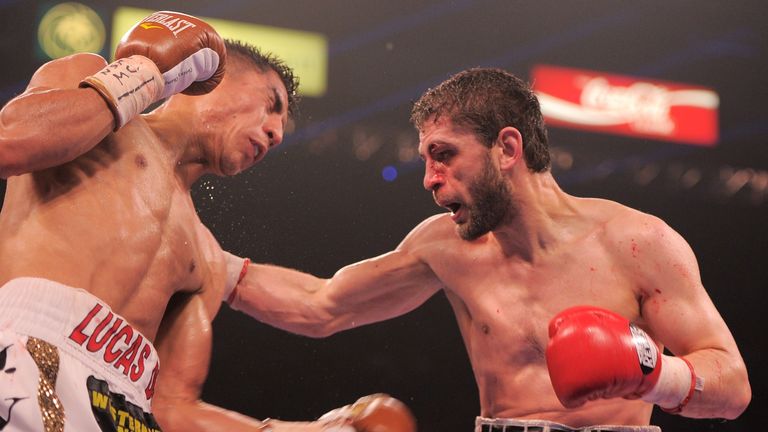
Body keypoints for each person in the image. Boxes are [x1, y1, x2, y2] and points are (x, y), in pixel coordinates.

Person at [223, 68, 752, 431]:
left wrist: (653, 372)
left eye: (445, 155)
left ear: (507, 147)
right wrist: (209, 265)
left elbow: (732, 386)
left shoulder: (637, 242)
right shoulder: (445, 246)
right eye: (427, 159)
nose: (430, 179)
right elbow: (323, 304)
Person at [0, 10, 414, 432]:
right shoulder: (92, 88)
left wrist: (315, 431)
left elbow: (175, 410)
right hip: (22, 351)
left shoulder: (205, 257)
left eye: (282, 125)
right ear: (215, 77)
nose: (277, 134)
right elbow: (9, 143)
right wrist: (144, 73)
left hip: (122, 408)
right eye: (271, 105)